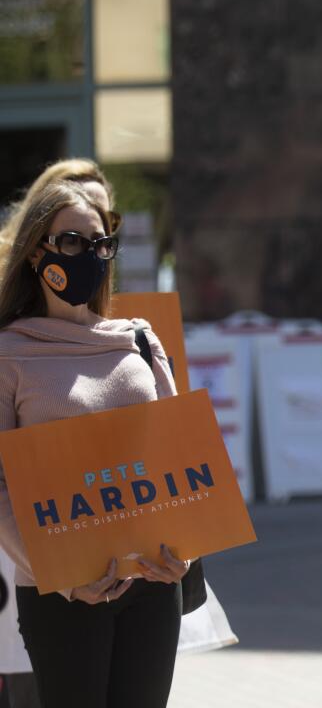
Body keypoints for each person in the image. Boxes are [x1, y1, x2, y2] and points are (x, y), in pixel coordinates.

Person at [0, 179, 189, 708]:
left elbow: (178, 447)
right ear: (37, 250)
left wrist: (184, 555)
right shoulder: (8, 353)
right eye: (73, 242)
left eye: (101, 242)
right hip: (60, 590)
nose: (92, 254)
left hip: (152, 583)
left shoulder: (139, 338)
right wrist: (60, 578)